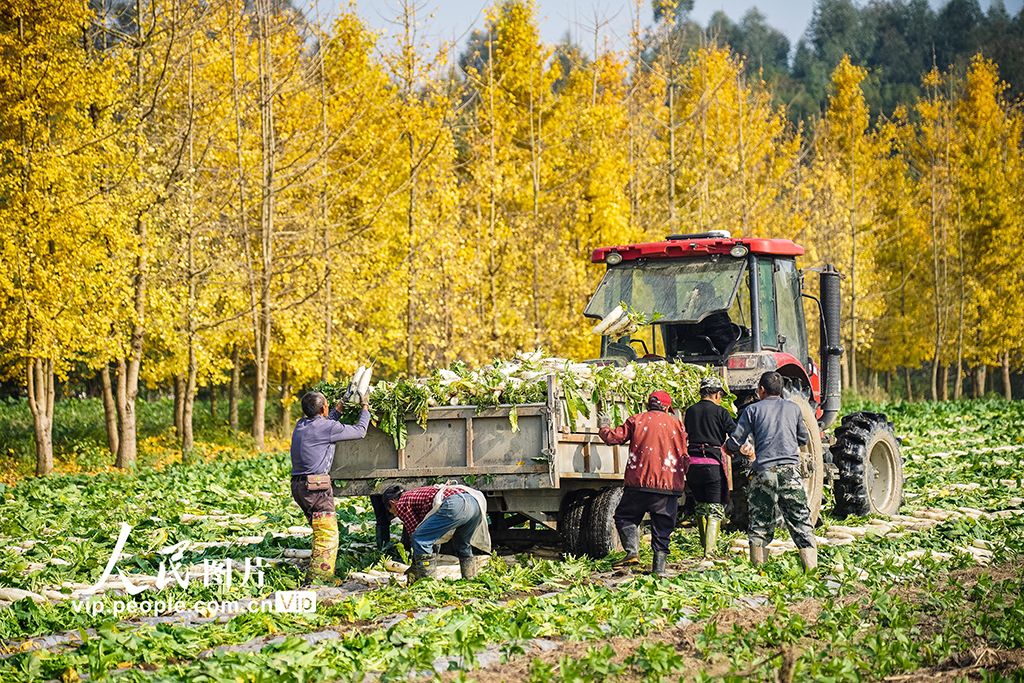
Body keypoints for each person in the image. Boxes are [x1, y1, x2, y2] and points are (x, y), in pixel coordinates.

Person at [724, 371, 817, 571]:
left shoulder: (752, 410)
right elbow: (803, 439)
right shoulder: (793, 409)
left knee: (760, 522)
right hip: (790, 473)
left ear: (761, 390)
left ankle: (759, 571)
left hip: (763, 472)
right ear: (782, 390)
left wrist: (729, 447)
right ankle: (811, 570)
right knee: (800, 520)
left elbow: (736, 440)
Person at [597, 391, 688, 576]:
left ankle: (632, 551)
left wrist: (604, 426)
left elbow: (613, 438)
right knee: (662, 527)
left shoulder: (636, 420)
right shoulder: (677, 424)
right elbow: (685, 456)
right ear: (667, 408)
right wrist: (681, 476)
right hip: (668, 487)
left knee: (625, 516)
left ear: (648, 405)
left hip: (639, 483)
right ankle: (659, 570)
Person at [290, 390, 370, 584]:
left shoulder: (301, 424)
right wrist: (365, 407)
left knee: (319, 532)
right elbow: (360, 431)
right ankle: (318, 582)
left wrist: (338, 408)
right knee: (328, 536)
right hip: (316, 488)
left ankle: (315, 575)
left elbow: (325, 424)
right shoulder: (327, 427)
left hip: (298, 487)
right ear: (323, 408)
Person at [382, 483, 490, 582]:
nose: (395, 514)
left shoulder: (401, 504)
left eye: (390, 510)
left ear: (392, 502)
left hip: (455, 505)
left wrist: (415, 566)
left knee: (419, 539)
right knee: (462, 543)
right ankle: (471, 579)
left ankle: (428, 583)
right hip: (475, 503)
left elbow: (416, 534)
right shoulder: (413, 495)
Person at [683, 376, 736, 557]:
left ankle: (704, 546)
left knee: (700, 506)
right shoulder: (721, 412)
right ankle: (709, 551)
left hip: (693, 467)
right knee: (714, 508)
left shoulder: (690, 411)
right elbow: (735, 434)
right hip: (712, 466)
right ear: (717, 394)